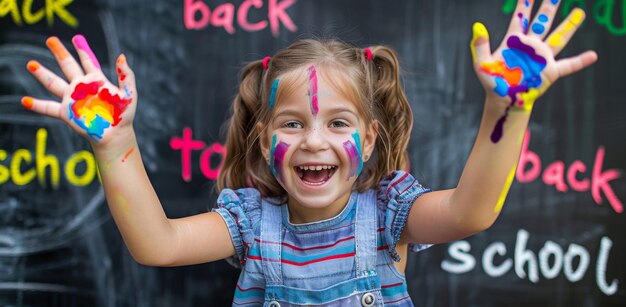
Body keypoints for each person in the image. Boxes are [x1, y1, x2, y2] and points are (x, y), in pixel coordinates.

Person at [21, 0, 597, 305]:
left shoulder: (390, 213)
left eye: (337, 122)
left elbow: (473, 212)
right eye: (291, 123)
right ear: (265, 140)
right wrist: (115, 141)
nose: (314, 141)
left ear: (369, 140)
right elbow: (156, 246)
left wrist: (509, 108)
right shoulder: (249, 221)